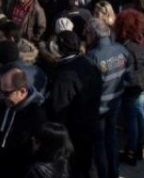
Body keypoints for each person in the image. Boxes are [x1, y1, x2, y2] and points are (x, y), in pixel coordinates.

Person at [47, 30, 102, 178]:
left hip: (74, 132)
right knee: (88, 164)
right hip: (91, 123)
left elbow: (58, 110)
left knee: (74, 168)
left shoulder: (64, 76)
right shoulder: (88, 63)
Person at [86, 18, 132, 178]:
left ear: (93, 34)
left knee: (99, 143)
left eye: (87, 33)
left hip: (99, 107)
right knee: (111, 138)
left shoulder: (92, 56)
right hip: (115, 102)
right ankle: (114, 172)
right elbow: (129, 76)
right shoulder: (121, 50)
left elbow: (88, 88)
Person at [0, 68, 47, 178]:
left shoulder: (36, 116)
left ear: (22, 92)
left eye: (6, 93)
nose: (2, 96)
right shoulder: (4, 105)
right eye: (1, 92)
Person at [114, 9, 144, 166]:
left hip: (132, 86)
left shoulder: (125, 47)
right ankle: (139, 146)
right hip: (143, 82)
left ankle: (131, 152)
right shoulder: (141, 39)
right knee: (140, 115)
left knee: (131, 120)